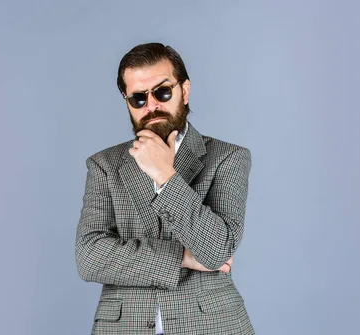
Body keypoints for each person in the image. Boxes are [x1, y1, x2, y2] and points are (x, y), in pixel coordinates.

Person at [75, 42, 254, 335]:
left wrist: (164, 174)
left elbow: (216, 251)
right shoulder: (104, 164)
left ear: (184, 90)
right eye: (138, 98)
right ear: (126, 101)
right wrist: (182, 257)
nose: (152, 106)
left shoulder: (227, 157)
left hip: (210, 325)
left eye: (162, 92)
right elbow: (90, 257)